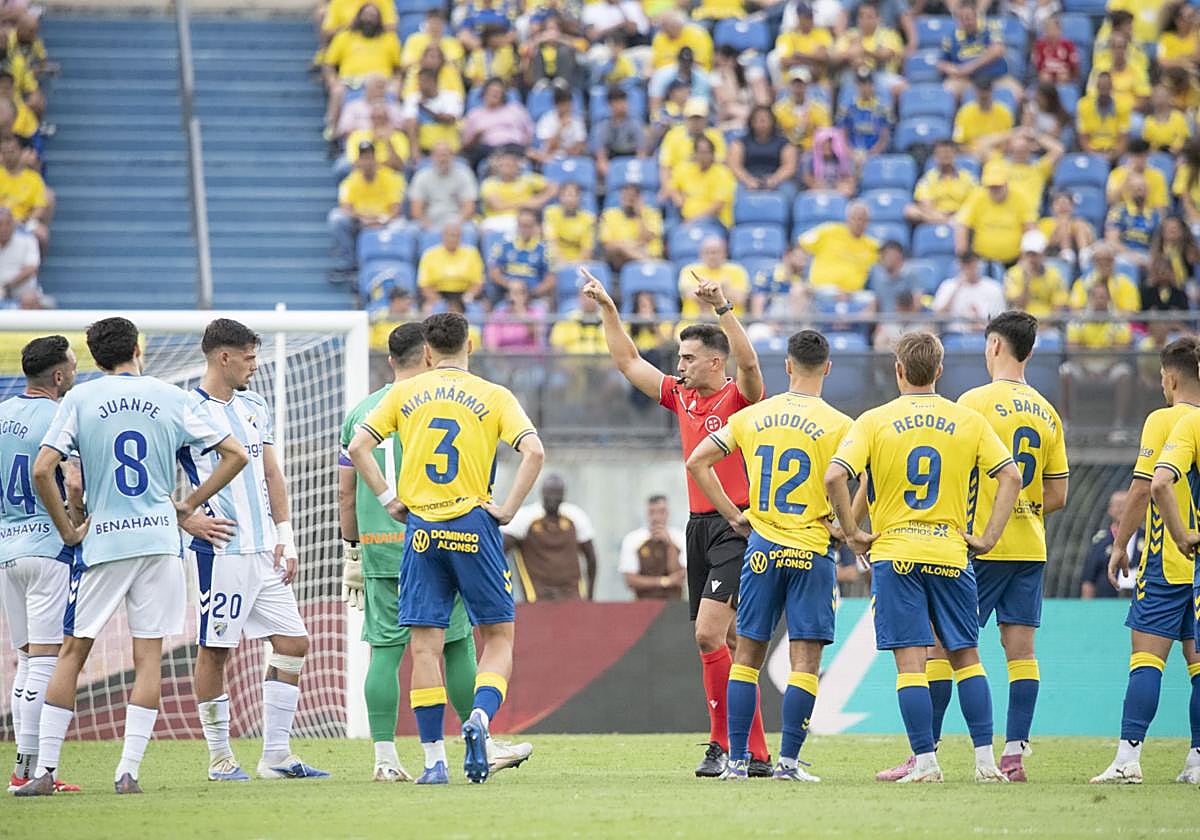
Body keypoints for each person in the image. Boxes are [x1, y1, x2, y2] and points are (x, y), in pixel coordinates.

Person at [16, 318, 249, 796]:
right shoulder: (172, 396)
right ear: (139, 348)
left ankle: (45, 771)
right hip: (161, 543)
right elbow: (235, 454)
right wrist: (188, 502)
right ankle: (129, 771)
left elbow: (44, 470)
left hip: (104, 542)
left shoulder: (80, 399)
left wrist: (68, 529)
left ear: (95, 358)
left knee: (72, 652)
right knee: (149, 659)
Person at [581, 267, 773, 778]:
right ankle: (753, 753)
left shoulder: (740, 398)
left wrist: (723, 309)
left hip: (738, 528)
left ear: (715, 361)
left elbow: (750, 362)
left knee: (709, 636)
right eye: (678, 358)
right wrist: (608, 309)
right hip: (700, 529)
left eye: (688, 358)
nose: (679, 365)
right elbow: (627, 361)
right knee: (726, 644)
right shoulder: (682, 395)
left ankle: (719, 744)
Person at [347, 312, 545, 785]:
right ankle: (478, 718)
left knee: (423, 648)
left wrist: (389, 498)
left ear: (428, 352)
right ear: (470, 346)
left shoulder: (403, 393)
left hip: (420, 528)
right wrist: (509, 508)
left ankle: (433, 761)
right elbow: (534, 451)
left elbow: (358, 449)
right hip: (473, 523)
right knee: (497, 638)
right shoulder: (494, 395)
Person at [878, 312, 1069, 783]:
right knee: (1021, 652)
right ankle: (1013, 756)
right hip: (1030, 545)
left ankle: (927, 753)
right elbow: (1059, 495)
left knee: (947, 650)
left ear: (995, 347)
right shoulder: (1047, 410)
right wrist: (1022, 509)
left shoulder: (972, 404)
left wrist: (986, 521)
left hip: (974, 545)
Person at [825, 331, 1022, 784]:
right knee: (967, 656)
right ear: (939, 371)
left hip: (896, 555)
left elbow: (837, 475)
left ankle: (926, 762)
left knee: (911, 662)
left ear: (897, 371)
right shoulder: (968, 420)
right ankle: (985, 762)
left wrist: (853, 532)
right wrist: (988, 536)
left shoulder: (874, 420)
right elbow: (1009, 476)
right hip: (951, 552)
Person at [687, 329, 851, 783]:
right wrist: (848, 527)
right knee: (805, 661)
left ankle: (737, 762)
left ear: (787, 366)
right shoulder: (841, 425)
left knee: (747, 656)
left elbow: (697, 461)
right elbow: (857, 476)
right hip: (812, 551)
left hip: (761, 549)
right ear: (828, 368)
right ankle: (789, 764)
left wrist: (734, 517)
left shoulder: (757, 415)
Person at [179, 320, 327, 782]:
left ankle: (276, 756)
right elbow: (153, 472)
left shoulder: (254, 404)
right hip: (221, 549)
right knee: (216, 650)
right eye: (248, 357)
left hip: (264, 549)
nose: (255, 366)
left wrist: (287, 534)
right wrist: (185, 517)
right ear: (223, 357)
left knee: (293, 642)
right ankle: (220, 758)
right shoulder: (186, 410)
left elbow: (272, 473)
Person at [1091, 337, 1200, 784]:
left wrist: (1120, 545)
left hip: (1167, 560)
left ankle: (1128, 758)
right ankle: (1196, 760)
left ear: (1170, 378)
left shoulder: (1166, 419)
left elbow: (1144, 487)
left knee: (1146, 660)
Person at [0, 337, 80, 793]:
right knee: (46, 659)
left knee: (26, 660)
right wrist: (75, 523)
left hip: (7, 550)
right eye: (71, 365)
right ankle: (31, 772)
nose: (74, 371)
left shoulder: (2, 414)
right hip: (48, 547)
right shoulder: (60, 416)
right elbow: (71, 478)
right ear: (57, 376)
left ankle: (21, 771)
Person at [502, 475, 598, 600]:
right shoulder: (524, 518)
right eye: (550, 493)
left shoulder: (576, 516)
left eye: (558, 494)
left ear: (563, 495)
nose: (553, 498)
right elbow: (500, 551)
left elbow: (591, 558)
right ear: (542, 493)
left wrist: (590, 596)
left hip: (572, 594)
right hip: (536, 594)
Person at [1061, 282, 1134, 431]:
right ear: (1089, 299)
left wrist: (1104, 369)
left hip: (1109, 367)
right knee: (1065, 371)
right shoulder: (1078, 320)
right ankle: (1066, 423)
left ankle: (1119, 426)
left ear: (1109, 299)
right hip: (1084, 367)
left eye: (1103, 297)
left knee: (1124, 373)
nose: (1100, 300)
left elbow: (1120, 353)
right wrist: (1088, 368)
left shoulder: (1118, 321)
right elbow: (1073, 351)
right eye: (1096, 297)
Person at [328, 143, 406, 275]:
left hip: (385, 221)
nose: (367, 162)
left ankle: (396, 266)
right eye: (364, 158)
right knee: (337, 218)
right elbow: (346, 208)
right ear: (358, 161)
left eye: (370, 158)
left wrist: (381, 220)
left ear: (375, 159)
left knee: (402, 226)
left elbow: (395, 209)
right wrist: (364, 219)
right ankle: (350, 262)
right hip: (359, 222)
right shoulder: (350, 180)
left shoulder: (389, 177)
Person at [955, 163, 1036, 269]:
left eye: (998, 186)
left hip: (1014, 261)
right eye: (991, 187)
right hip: (982, 260)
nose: (994, 190)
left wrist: (1025, 258)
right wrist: (963, 259)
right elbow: (962, 226)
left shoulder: (1020, 197)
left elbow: (1030, 229)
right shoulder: (977, 196)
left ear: (1006, 183)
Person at [798, 201, 879, 293]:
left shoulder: (873, 246)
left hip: (853, 295)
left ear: (869, 222)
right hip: (820, 290)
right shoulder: (829, 231)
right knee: (799, 290)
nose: (859, 223)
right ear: (847, 218)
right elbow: (801, 244)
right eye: (855, 218)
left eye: (863, 219)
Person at [619, 495, 686, 600]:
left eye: (661, 512)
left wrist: (670, 545)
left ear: (668, 513)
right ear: (647, 514)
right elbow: (630, 580)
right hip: (643, 604)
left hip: (674, 604)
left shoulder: (680, 538)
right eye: (652, 512)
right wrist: (664, 582)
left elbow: (680, 576)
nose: (656, 517)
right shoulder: (633, 539)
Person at [937, 5, 1013, 98]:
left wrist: (968, 68)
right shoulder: (951, 37)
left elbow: (998, 50)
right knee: (948, 90)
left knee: (1016, 93)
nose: (966, 22)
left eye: (969, 18)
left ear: (976, 16)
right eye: (962, 19)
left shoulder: (990, 28)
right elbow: (941, 63)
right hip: (966, 80)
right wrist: (955, 70)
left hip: (995, 79)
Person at [664, 136, 736, 228]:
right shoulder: (685, 169)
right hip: (684, 218)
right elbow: (671, 186)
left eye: (706, 153)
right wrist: (677, 197)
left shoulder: (723, 173)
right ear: (694, 154)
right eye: (700, 152)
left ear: (713, 154)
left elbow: (717, 206)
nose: (703, 156)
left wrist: (692, 221)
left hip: (714, 221)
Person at [479, 149, 556, 236]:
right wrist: (526, 204)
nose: (505, 168)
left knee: (546, 228)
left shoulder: (528, 179)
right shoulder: (489, 183)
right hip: (497, 219)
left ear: (517, 166)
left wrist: (539, 200)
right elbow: (498, 206)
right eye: (502, 165)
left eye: (509, 165)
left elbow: (553, 187)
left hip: (526, 218)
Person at [461, 78, 535, 169]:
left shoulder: (516, 109)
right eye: (492, 91)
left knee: (519, 151)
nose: (495, 94)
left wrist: (524, 143)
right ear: (484, 93)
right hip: (488, 150)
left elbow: (530, 132)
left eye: (498, 92)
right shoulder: (474, 115)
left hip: (514, 147)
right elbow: (465, 145)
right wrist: (476, 137)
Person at [488, 207, 554, 304]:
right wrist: (511, 286)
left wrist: (529, 293)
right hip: (506, 296)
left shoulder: (544, 250)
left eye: (528, 226)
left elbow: (551, 279)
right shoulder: (503, 246)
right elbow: (494, 273)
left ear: (535, 226)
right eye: (522, 226)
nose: (524, 229)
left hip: (534, 298)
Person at [408, 142, 478, 231]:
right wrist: (428, 226)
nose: (442, 159)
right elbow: (416, 210)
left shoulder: (464, 175)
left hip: (456, 219)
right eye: (438, 155)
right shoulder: (421, 176)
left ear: (453, 157)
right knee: (412, 230)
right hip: (429, 219)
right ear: (432, 157)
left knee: (469, 230)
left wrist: (457, 223)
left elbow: (469, 207)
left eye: (445, 155)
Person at [728, 105, 796, 195]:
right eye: (757, 120)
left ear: (772, 121)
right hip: (747, 179)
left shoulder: (784, 143)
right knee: (733, 191)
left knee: (789, 191)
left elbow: (789, 167)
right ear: (751, 122)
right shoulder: (740, 143)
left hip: (777, 180)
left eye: (764, 120)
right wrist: (748, 181)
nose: (761, 124)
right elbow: (735, 166)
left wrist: (773, 180)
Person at [905, 140, 977, 225]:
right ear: (935, 156)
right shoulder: (928, 178)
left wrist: (959, 215)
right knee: (910, 210)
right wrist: (939, 216)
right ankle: (948, 222)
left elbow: (974, 201)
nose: (945, 155)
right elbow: (926, 203)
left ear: (955, 154)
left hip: (960, 215)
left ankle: (949, 222)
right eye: (941, 153)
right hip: (936, 215)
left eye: (948, 152)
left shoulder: (968, 177)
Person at [932, 251, 1007, 331]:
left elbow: (1000, 319)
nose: (968, 268)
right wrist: (956, 289)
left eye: (971, 264)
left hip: (986, 333)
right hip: (955, 334)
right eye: (964, 264)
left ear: (978, 264)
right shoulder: (948, 286)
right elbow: (938, 316)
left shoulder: (994, 287)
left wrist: (983, 327)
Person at [418, 221, 485, 309]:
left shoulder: (472, 253)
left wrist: (468, 296)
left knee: (476, 309)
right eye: (450, 235)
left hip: (464, 294)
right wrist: (438, 300)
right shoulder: (429, 254)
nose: (453, 239)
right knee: (431, 309)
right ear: (443, 236)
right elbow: (424, 284)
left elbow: (478, 282)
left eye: (457, 236)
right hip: (439, 294)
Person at [1079, 490, 1133, 599]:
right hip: (1106, 604)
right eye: (1118, 505)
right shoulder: (1100, 541)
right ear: (1110, 510)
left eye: (1126, 504)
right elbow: (1089, 579)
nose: (1122, 509)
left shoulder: (1147, 538)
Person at [1003, 231, 1067, 318]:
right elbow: (1018, 307)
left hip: (1047, 324)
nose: (1031, 259)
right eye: (1028, 254)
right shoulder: (1013, 274)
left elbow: (1057, 307)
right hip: (1021, 323)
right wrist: (1026, 280)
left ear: (1043, 253)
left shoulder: (1054, 274)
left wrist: (1046, 325)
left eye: (1035, 254)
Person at [679, 239, 749, 319]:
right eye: (707, 252)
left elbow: (740, 299)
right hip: (693, 323)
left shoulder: (737, 270)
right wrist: (722, 289)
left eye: (716, 252)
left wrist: (707, 289)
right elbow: (689, 294)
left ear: (725, 253)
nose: (712, 256)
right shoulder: (690, 269)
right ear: (701, 254)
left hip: (732, 323)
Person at [599, 183, 663, 268]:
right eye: (626, 197)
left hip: (649, 253)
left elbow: (646, 237)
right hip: (621, 260)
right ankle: (648, 262)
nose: (628, 201)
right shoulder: (609, 215)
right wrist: (628, 245)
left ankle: (646, 261)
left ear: (639, 198)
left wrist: (639, 215)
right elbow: (608, 244)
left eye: (632, 198)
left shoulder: (652, 213)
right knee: (620, 249)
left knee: (625, 248)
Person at [836, 68, 891, 166]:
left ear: (873, 85)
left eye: (868, 83)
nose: (865, 87)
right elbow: (843, 136)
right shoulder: (848, 109)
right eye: (861, 84)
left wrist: (870, 155)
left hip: (875, 157)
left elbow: (884, 139)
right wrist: (851, 154)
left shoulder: (882, 109)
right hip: (852, 157)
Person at [1105, 173, 1160, 269]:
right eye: (1135, 188)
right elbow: (1112, 241)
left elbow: (1156, 243)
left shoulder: (1154, 215)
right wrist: (1131, 255)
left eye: (1142, 188)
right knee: (1123, 263)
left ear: (1147, 191)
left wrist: (1152, 259)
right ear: (1128, 191)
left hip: (1146, 255)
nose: (1139, 191)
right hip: (1123, 254)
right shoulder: (1118, 211)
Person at [590, 86, 644, 183]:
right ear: (610, 105)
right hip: (611, 165)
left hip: (632, 165)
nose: (622, 105)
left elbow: (641, 154)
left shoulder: (635, 124)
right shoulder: (603, 126)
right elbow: (601, 157)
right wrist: (613, 176)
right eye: (618, 102)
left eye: (624, 101)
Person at [773, 67, 830, 153]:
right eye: (795, 84)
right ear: (789, 85)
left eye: (801, 84)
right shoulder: (778, 109)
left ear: (807, 85)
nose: (798, 87)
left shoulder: (819, 108)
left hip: (812, 151)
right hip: (787, 151)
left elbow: (825, 132)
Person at [1077, 72, 1131, 159]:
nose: (1103, 91)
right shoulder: (1084, 105)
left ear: (1111, 87)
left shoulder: (1122, 106)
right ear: (1096, 87)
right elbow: (1083, 137)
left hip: (1113, 152)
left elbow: (1124, 138)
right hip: (1092, 152)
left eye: (1106, 87)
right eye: (1101, 87)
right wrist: (1094, 155)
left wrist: (1113, 156)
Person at [952, 78, 1013, 155]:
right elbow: (959, 144)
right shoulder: (964, 112)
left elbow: (1009, 140)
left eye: (986, 98)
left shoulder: (1004, 112)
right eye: (981, 97)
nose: (983, 100)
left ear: (991, 92)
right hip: (972, 155)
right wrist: (977, 151)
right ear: (975, 92)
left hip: (998, 156)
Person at [1106, 139, 1168, 212]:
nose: (1139, 160)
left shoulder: (1157, 176)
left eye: (1143, 156)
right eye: (1136, 156)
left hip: (1148, 217)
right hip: (1123, 217)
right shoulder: (1117, 174)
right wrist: (1127, 179)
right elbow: (1112, 201)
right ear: (1129, 156)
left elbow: (1160, 206)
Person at [543, 181, 596, 267]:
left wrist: (574, 265)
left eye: (574, 195)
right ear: (560, 197)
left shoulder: (588, 219)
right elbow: (551, 242)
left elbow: (587, 250)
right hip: (554, 261)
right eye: (566, 195)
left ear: (579, 198)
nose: (570, 200)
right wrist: (562, 262)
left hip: (579, 263)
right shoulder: (550, 213)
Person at [1039, 190, 1095, 268]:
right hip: (1054, 254)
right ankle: (1066, 253)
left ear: (1072, 207)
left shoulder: (1080, 223)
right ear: (1052, 207)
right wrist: (1058, 234)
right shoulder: (1045, 223)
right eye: (1059, 203)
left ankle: (1084, 258)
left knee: (1079, 225)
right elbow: (1042, 246)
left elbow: (1092, 241)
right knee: (1063, 225)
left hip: (1079, 254)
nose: (1062, 206)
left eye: (1066, 203)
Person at [867, 240, 924, 312]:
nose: (881, 259)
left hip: (907, 321)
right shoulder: (878, 277)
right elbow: (875, 303)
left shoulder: (911, 276)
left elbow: (917, 304)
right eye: (881, 255)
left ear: (897, 255)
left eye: (885, 255)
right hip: (885, 321)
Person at [549, 290, 609, 355]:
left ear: (599, 299)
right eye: (586, 296)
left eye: (592, 297)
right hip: (573, 362)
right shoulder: (566, 320)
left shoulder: (611, 321)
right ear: (580, 298)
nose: (589, 300)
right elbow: (557, 348)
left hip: (605, 363)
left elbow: (619, 347)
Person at [0, 206, 38, 306]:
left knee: (29, 299)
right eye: (0, 224)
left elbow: (32, 268)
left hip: (21, 292)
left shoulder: (27, 239)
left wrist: (6, 287)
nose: (4, 228)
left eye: (8, 224)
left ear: (13, 225)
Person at [1033, 15, 1078, 84]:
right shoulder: (1040, 45)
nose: (1051, 32)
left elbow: (1074, 63)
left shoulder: (1068, 44)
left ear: (1059, 30)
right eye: (1048, 29)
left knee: (1063, 76)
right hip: (1047, 71)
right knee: (1045, 76)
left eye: (1054, 29)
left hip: (1062, 71)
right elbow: (1037, 65)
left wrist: (1071, 75)